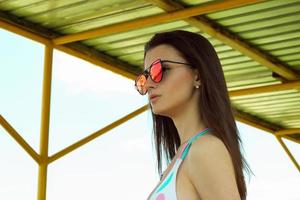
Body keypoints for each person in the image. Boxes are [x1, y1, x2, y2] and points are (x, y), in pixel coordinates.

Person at [134, 30, 251, 200]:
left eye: (161, 70)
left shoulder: (206, 149)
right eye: (145, 77)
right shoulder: (183, 156)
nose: (150, 84)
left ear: (198, 75)